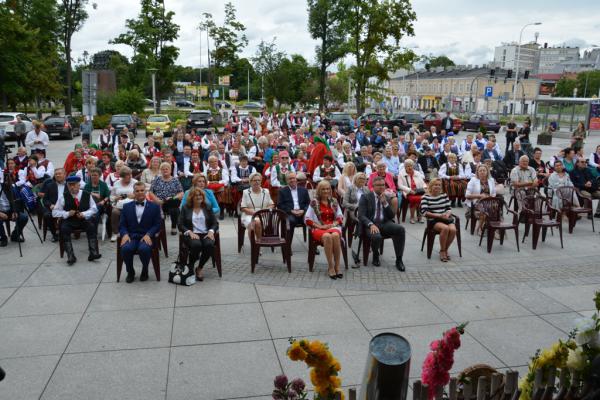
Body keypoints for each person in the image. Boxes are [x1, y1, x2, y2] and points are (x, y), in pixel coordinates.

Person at [358, 176, 406, 271]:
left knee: (400, 229)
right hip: (370, 224)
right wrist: (370, 224)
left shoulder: (387, 196)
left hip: (384, 223)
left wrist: (385, 203)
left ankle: (399, 260)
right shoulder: (365, 197)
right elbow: (361, 215)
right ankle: (376, 254)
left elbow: (391, 216)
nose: (381, 187)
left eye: (383, 185)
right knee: (377, 236)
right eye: (378, 185)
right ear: (373, 186)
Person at [52, 176, 101, 265]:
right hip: (69, 221)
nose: (72, 187)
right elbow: (54, 212)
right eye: (70, 185)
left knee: (91, 226)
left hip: (83, 220)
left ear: (79, 185)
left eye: (74, 185)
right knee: (64, 229)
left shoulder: (86, 194)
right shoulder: (63, 197)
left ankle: (93, 253)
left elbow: (94, 209)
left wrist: (84, 214)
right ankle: (71, 256)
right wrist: (66, 214)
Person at [119, 182, 162, 283]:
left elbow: (157, 224)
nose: (140, 193)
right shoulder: (126, 206)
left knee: (144, 249)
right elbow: (122, 224)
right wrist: (124, 234)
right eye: (137, 191)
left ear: (145, 191)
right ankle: (130, 272)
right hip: (131, 236)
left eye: (142, 190)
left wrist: (149, 234)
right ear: (134, 192)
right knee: (125, 249)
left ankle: (145, 270)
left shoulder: (154, 207)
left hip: (146, 236)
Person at [305, 181, 344, 279]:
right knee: (327, 236)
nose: (326, 191)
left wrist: (333, 224)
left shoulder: (334, 201)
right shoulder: (314, 202)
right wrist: (319, 226)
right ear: (319, 190)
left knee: (335, 235)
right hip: (319, 228)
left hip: (333, 226)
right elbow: (307, 219)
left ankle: (337, 266)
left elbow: (340, 216)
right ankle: (331, 267)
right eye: (323, 189)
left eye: (327, 189)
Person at [178, 187, 218, 281]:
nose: (198, 197)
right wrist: (189, 232)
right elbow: (180, 224)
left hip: (205, 233)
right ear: (191, 197)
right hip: (192, 233)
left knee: (209, 245)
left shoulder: (207, 207)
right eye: (196, 195)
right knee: (196, 245)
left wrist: (211, 231)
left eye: (200, 195)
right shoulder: (185, 208)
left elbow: (214, 223)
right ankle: (191, 265)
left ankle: (199, 268)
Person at [420, 178, 456, 262]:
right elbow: (424, 212)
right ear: (431, 186)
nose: (437, 186)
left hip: (445, 218)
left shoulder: (444, 195)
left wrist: (447, 214)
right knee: (445, 228)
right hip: (434, 220)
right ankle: (443, 251)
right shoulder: (425, 197)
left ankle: (445, 249)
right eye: (435, 185)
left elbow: (448, 208)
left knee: (453, 230)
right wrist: (439, 216)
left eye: (439, 185)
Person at [149, 162, 184, 235]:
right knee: (173, 205)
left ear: (170, 170)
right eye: (163, 169)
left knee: (175, 206)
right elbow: (151, 192)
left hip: (171, 202)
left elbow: (181, 193)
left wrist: (172, 197)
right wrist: (157, 200)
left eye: (166, 169)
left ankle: (173, 227)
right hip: (159, 201)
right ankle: (158, 227)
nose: (165, 170)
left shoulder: (175, 180)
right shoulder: (157, 179)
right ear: (160, 171)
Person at [277, 171, 310, 244]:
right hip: (290, 213)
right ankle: (288, 245)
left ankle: (313, 246)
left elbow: (308, 203)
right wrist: (291, 211)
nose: (292, 180)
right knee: (290, 221)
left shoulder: (303, 190)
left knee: (311, 220)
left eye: (293, 178)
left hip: (302, 213)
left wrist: (303, 210)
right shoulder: (282, 191)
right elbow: (280, 205)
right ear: (286, 180)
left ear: (296, 179)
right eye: (290, 179)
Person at [240, 172, 273, 243]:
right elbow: (243, 208)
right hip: (249, 215)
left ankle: (257, 243)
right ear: (250, 182)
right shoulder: (245, 192)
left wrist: (264, 211)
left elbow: (271, 204)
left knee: (258, 222)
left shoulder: (266, 191)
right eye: (254, 180)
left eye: (259, 180)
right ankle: (255, 244)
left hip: (264, 214)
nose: (257, 182)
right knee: (254, 224)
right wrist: (255, 213)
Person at [0, 168, 29, 246]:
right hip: (0, 212)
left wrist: (15, 211)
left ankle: (15, 235)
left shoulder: (5, 186)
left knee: (24, 217)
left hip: (9, 210)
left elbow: (15, 200)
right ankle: (3, 238)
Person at [465, 164, 497, 234]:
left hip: (489, 200)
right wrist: (480, 196)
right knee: (484, 208)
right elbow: (467, 195)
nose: (482, 172)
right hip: (477, 201)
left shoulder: (491, 180)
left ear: (487, 172)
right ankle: (480, 228)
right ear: (477, 172)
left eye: (484, 170)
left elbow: (494, 193)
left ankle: (494, 229)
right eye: (480, 171)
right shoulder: (473, 180)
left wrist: (489, 197)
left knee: (496, 207)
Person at [109, 166, 137, 242]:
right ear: (122, 176)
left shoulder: (135, 182)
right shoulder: (117, 183)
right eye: (127, 175)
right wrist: (116, 198)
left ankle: (132, 232)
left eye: (130, 174)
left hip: (132, 204)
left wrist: (134, 195)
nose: (130, 176)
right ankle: (115, 232)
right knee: (114, 212)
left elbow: (141, 193)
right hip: (120, 205)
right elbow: (111, 196)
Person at [398, 159, 427, 223]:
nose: (409, 167)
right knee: (415, 199)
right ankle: (412, 217)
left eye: (411, 166)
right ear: (405, 167)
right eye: (407, 166)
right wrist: (409, 190)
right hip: (408, 192)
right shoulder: (401, 174)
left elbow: (423, 183)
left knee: (423, 198)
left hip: (418, 191)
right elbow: (400, 185)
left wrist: (425, 188)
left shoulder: (417, 173)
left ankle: (419, 216)